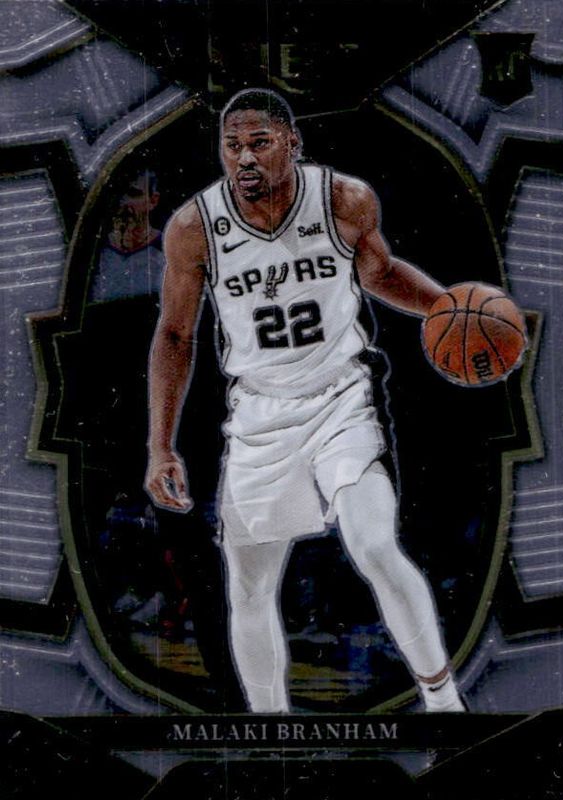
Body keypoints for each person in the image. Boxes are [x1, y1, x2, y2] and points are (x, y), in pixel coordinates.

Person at [145, 88, 466, 713]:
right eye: (232, 146)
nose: (244, 158)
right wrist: (160, 446)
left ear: (292, 143)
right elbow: (176, 335)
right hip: (260, 413)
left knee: (374, 544)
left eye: (259, 143)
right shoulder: (194, 227)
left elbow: (380, 274)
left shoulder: (343, 199)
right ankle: (270, 730)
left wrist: (447, 308)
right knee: (248, 587)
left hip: (340, 397)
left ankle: (444, 703)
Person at [90, 168, 164, 302]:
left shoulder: (169, 252)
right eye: (118, 193)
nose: (123, 202)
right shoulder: (93, 253)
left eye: (133, 194)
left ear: (153, 200)